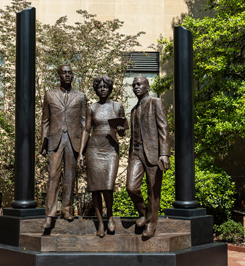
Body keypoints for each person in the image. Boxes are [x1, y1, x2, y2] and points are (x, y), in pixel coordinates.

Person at [77, 75, 127, 237]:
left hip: (111, 149)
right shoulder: (92, 108)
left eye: (105, 86)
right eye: (99, 87)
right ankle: (100, 222)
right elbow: (86, 130)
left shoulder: (117, 106)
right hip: (94, 149)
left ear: (110, 88)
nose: (102, 89)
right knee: (95, 189)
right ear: (96, 89)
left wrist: (120, 130)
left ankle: (110, 216)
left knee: (108, 186)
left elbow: (124, 130)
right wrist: (80, 153)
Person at [41, 64, 87, 228]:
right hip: (55, 140)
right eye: (64, 73)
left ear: (72, 75)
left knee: (70, 177)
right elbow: (45, 120)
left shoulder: (80, 96)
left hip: (73, 141)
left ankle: (67, 209)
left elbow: (84, 124)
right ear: (59, 75)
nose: (67, 75)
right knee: (53, 177)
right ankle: (50, 214)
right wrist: (43, 143)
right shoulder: (50, 95)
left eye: (70, 73)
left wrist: (83, 149)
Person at [126, 76, 170, 238]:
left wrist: (164, 153)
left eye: (140, 84)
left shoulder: (155, 102)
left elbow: (163, 128)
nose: (136, 87)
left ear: (147, 86)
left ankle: (152, 223)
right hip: (136, 154)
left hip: (153, 153)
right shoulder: (133, 110)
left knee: (153, 191)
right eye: (134, 85)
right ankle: (144, 213)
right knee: (131, 187)